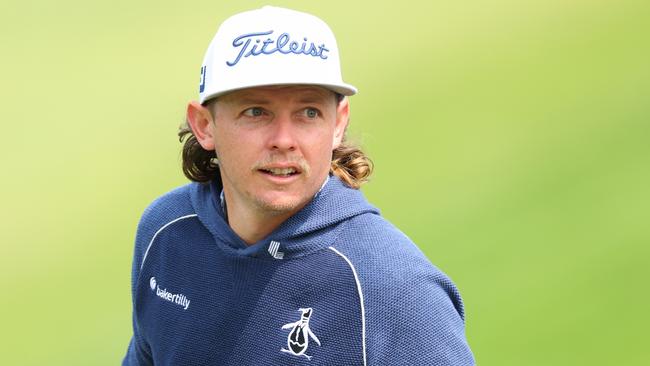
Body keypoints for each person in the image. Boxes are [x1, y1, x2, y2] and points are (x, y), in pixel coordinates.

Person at [123, 6, 475, 365]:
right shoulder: (166, 233)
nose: (284, 140)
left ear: (338, 124)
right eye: (256, 112)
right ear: (205, 125)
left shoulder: (397, 291)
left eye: (308, 112)